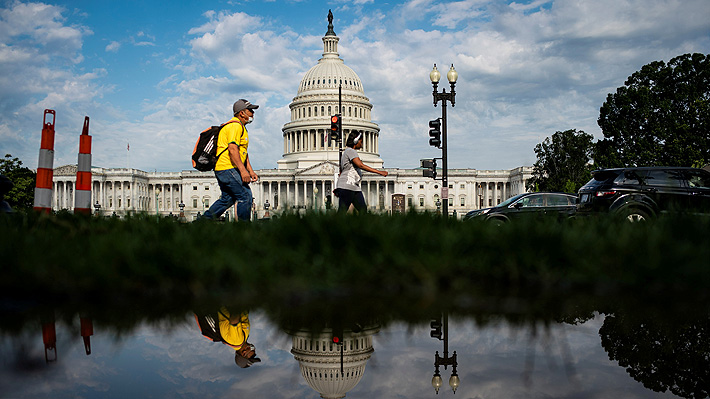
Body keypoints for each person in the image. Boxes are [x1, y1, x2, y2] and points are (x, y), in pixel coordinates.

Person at [202, 99, 259, 221]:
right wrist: (243, 171)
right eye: (250, 110)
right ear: (242, 113)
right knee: (245, 196)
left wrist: (250, 171)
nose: (253, 113)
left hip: (223, 169)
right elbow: (233, 149)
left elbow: (243, 152)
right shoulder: (235, 126)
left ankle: (201, 223)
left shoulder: (240, 127)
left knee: (227, 199)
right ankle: (244, 230)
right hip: (227, 168)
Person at [335, 131, 388, 213]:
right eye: (361, 141)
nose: (362, 144)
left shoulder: (347, 152)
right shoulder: (350, 151)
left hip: (354, 187)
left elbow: (343, 171)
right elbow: (361, 165)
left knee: (363, 210)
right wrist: (379, 172)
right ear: (355, 141)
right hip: (347, 186)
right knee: (342, 212)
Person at [194, 308, 261, 368]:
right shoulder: (242, 339)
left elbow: (234, 320)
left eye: (252, 356)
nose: (254, 353)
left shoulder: (237, 341)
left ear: (244, 353)